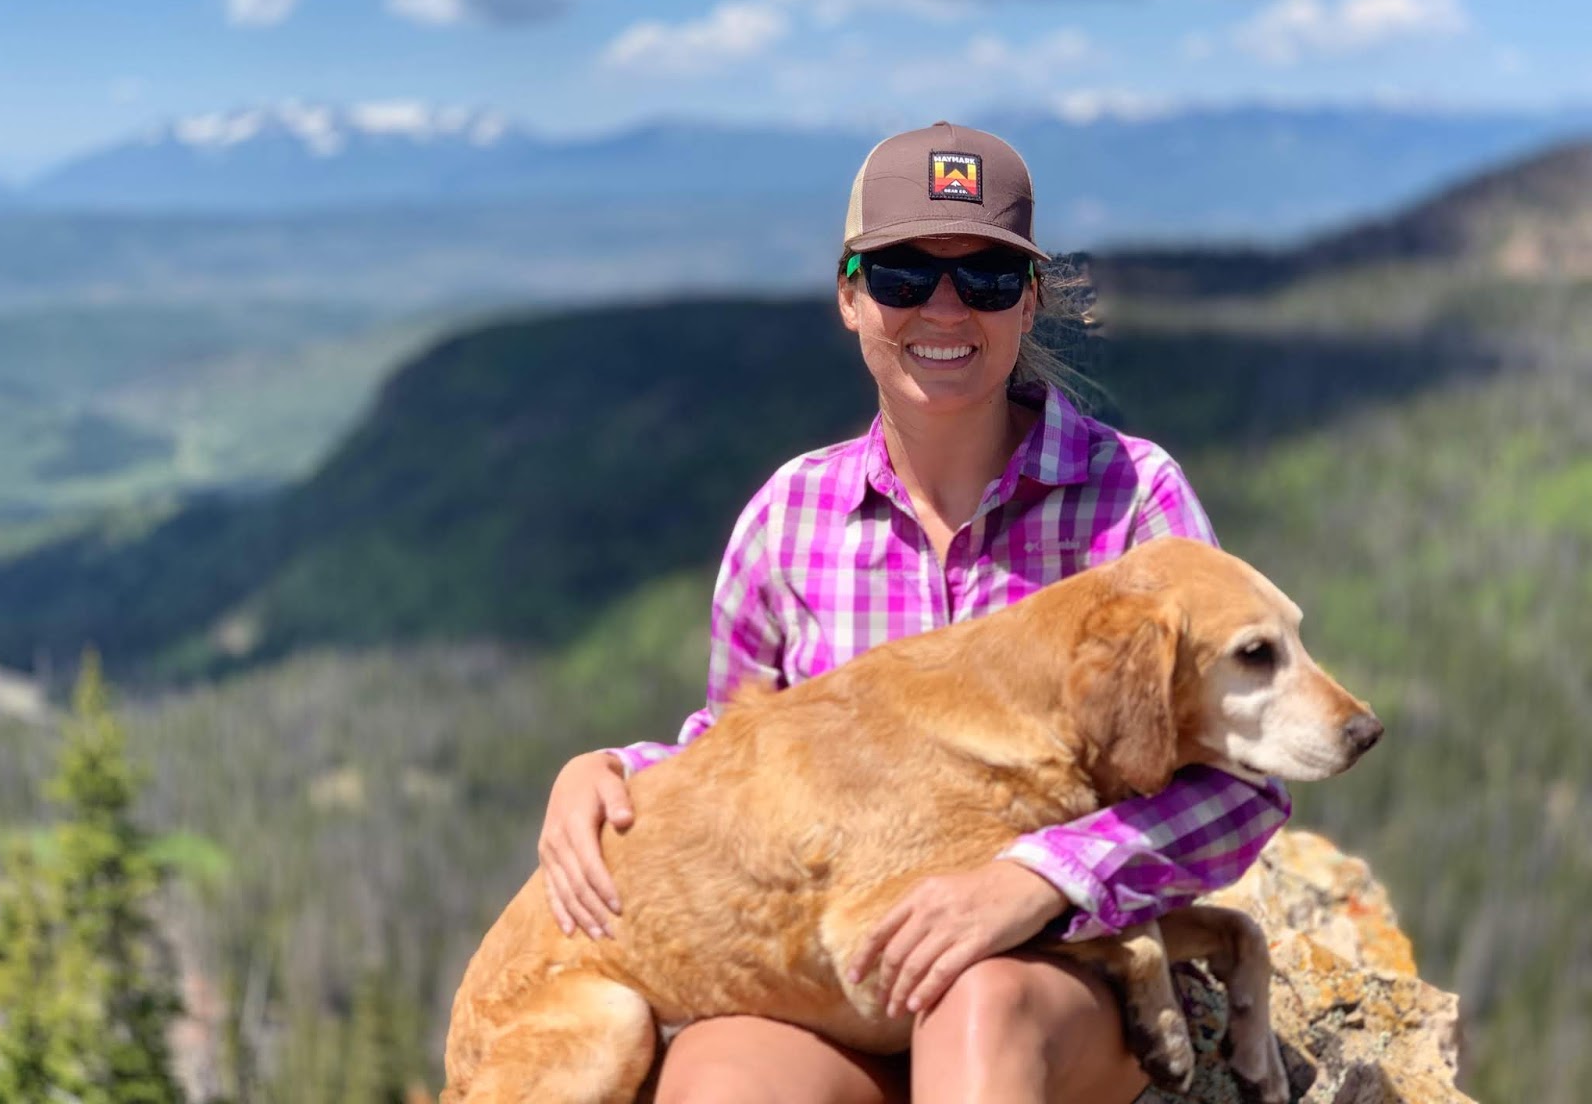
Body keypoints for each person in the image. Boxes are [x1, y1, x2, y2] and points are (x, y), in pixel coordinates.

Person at [537, 121, 1291, 1104]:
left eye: (982, 277)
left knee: (978, 1013)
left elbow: (1248, 785)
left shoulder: (1133, 501)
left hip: (1055, 974)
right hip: (846, 983)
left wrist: (1040, 878)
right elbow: (738, 751)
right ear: (848, 295)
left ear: (1028, 301)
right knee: (722, 1082)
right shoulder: (786, 518)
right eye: (900, 276)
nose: (943, 308)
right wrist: (604, 773)